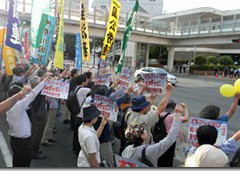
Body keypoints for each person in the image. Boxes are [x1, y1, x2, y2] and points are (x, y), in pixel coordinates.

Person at [6, 73, 51, 167]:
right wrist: (46, 79)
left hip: (18, 140)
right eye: (21, 93)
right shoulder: (17, 105)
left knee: (18, 162)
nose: (24, 94)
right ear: (16, 96)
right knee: (23, 164)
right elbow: (33, 94)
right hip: (22, 142)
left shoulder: (12, 105)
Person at [157, 100, 189, 167]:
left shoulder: (160, 113)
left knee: (160, 154)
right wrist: (185, 107)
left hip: (159, 137)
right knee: (168, 156)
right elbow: (186, 118)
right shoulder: (172, 116)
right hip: (169, 139)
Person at [29, 76, 47, 159]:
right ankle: (34, 152)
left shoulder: (33, 91)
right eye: (39, 82)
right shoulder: (37, 92)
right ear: (36, 84)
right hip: (39, 115)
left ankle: (33, 149)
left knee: (34, 133)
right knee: (37, 135)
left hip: (35, 114)